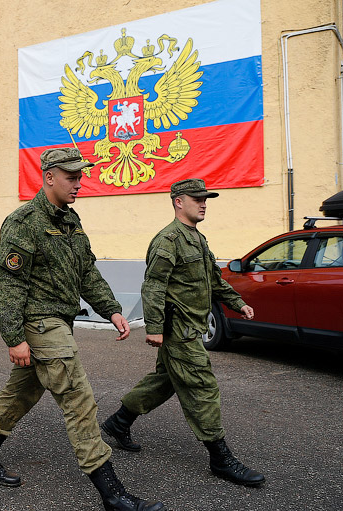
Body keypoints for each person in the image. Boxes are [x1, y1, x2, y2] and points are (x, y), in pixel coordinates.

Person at [0, 148, 164, 511]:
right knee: (79, 400)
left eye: (80, 176)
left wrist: (112, 308)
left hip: (59, 320)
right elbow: (8, 284)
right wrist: (13, 338)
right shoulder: (24, 221)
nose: (79, 183)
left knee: (22, 392)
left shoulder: (70, 221)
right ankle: (114, 498)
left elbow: (86, 272)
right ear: (49, 177)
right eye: (71, 177)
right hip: (40, 324)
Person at [101, 179, 264, 487]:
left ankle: (118, 423)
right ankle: (221, 458)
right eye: (197, 198)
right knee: (201, 386)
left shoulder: (197, 239)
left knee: (165, 381)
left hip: (191, 325)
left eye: (206, 199)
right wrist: (154, 328)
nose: (203, 203)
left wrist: (237, 303)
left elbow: (213, 280)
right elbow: (153, 286)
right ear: (178, 201)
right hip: (179, 331)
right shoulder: (168, 240)